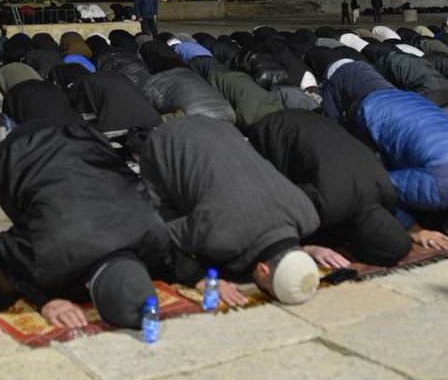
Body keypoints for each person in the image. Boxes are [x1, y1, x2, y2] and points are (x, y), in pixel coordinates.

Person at [0, 122, 170, 328]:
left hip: (83, 136)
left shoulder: (156, 233)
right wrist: (45, 300)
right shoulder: (50, 254)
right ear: (88, 287)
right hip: (16, 151)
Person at [138, 116, 322, 306]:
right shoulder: (220, 233)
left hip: (220, 127)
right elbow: (161, 235)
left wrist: (305, 249)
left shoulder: (308, 215)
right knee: (161, 226)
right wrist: (199, 278)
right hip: (166, 141)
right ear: (263, 270)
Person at [345, 76, 448, 248]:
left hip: (413, 100)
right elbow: (381, 186)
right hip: (372, 111)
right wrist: (414, 229)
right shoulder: (438, 191)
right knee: (367, 176)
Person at [248, 110, 412, 266]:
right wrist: (308, 248)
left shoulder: (387, 193)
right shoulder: (330, 205)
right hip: (275, 130)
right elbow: (281, 209)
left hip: (312, 120)